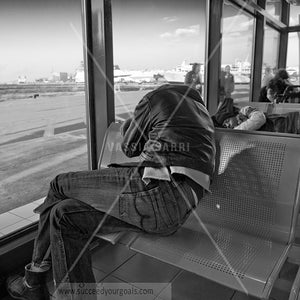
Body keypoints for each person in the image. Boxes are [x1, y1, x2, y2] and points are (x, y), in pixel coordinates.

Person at [6, 84, 216, 300]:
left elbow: (129, 148)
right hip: (175, 214)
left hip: (157, 189)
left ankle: (32, 282)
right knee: (64, 214)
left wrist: (129, 125)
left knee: (59, 184)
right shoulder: (201, 111)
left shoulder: (156, 97)